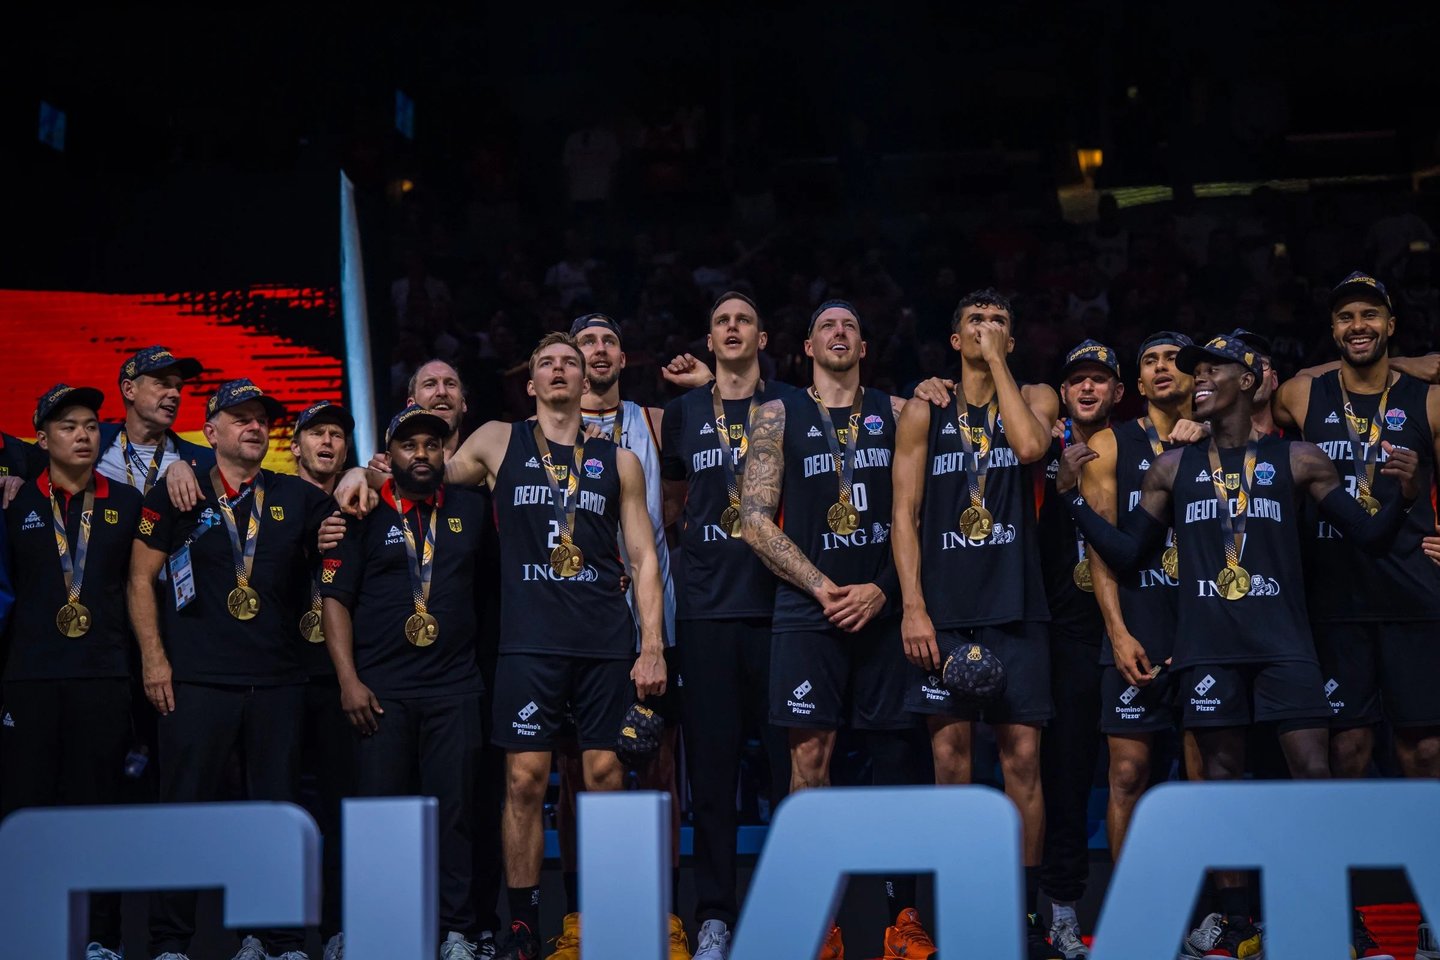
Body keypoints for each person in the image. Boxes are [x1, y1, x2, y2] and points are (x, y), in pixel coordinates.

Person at [1064, 334, 1421, 959]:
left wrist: (1405, 496)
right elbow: (1127, 552)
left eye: (1212, 370)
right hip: (1209, 650)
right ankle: (1235, 926)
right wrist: (1072, 497)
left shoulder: (1300, 458)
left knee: (1314, 775)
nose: (1198, 379)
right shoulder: (1171, 469)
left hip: (1285, 645)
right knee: (1219, 784)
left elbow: (1367, 537)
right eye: (1196, 371)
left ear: (1250, 380)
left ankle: (1327, 916)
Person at [357, 333, 666, 960]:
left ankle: (603, 918)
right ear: (531, 384)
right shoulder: (498, 440)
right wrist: (360, 475)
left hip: (604, 641)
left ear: (585, 382)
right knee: (524, 782)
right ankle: (523, 926)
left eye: (569, 363)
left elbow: (643, 557)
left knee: (604, 777)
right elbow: (423, 473)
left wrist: (652, 644)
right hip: (527, 645)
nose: (559, 370)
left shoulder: (620, 461)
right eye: (546, 363)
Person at [741, 300, 926, 960]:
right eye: (827, 325)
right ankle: (818, 921)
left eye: (851, 325)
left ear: (864, 347)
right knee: (808, 764)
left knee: (897, 763)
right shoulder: (777, 413)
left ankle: (904, 921)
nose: (840, 332)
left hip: (885, 607)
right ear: (808, 347)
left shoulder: (900, 412)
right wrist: (823, 588)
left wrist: (883, 590)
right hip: (808, 610)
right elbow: (753, 520)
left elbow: (921, 516)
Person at [129, 379, 334, 960]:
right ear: (210, 431)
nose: (254, 426)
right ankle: (170, 942)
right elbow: (140, 579)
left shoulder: (296, 496)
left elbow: (348, 500)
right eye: (239, 417)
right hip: (196, 678)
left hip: (277, 679)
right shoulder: (180, 489)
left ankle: (280, 938)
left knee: (276, 813)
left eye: (261, 418)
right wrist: (154, 660)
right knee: (184, 810)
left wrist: (357, 481)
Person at [890, 289, 1062, 960]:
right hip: (946, 612)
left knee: (1023, 762)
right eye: (975, 322)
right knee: (950, 762)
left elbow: (1029, 446)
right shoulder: (924, 410)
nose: (987, 329)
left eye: (998, 323)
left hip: (1017, 604)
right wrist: (913, 606)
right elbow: (903, 515)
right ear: (954, 340)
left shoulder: (1037, 395)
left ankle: (1022, 913)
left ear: (1011, 342)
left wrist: (998, 368)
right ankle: (961, 906)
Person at [321, 404, 491, 960]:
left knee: (456, 815)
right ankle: (379, 929)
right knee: (378, 817)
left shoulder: (471, 509)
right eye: (409, 445)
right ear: (388, 455)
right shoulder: (361, 511)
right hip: (380, 692)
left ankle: (457, 931)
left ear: (445, 452)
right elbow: (334, 600)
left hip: (454, 688)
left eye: (432, 445)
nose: (422, 454)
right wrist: (348, 681)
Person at [658, 292, 798, 960]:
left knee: (789, 774)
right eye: (722, 321)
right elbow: (673, 503)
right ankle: (714, 915)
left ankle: (792, 909)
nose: (733, 327)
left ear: (762, 338)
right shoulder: (683, 414)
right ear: (709, 341)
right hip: (707, 612)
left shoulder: (791, 406)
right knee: (712, 780)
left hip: (781, 611)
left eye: (744, 319)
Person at [547, 313, 686, 960]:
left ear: (623, 358)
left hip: (655, 621)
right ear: (570, 364)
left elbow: (678, 505)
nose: (598, 351)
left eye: (608, 341)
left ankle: (666, 915)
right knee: (576, 772)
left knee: (660, 766)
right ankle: (580, 916)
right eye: (585, 344)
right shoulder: (543, 433)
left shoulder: (655, 422)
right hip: (577, 623)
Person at [2, 385, 143, 960]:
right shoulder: (13, 504)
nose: (83, 435)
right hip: (28, 680)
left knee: (99, 809)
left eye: (90, 425)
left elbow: (141, 589)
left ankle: (101, 936)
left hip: (103, 676)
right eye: (67, 426)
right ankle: (25, 928)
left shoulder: (128, 503)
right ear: (42, 439)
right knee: (26, 810)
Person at [1055, 334, 1195, 861]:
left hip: (1202, 630)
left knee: (1202, 777)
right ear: (1137, 385)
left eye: (1173, 359)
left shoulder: (1218, 440)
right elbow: (1101, 547)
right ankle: (1127, 905)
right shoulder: (1111, 445)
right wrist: (1116, 633)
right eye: (1151, 361)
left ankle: (1213, 905)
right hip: (1138, 626)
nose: (1162, 368)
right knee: (1128, 773)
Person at [1036, 341, 1125, 959]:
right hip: (1064, 638)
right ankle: (1063, 911)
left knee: (1139, 777)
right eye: (1077, 381)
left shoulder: (1143, 447)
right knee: (1065, 780)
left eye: (1099, 379)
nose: (1088, 389)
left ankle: (1151, 908)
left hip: (1130, 632)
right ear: (1063, 393)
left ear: (1118, 392)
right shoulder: (1038, 450)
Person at [291, 400, 356, 960]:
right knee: (280, 808)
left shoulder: (362, 503)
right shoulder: (273, 502)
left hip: (342, 681)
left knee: (341, 809)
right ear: (295, 447)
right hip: (283, 676)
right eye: (316, 433)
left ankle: (339, 927)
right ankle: (274, 935)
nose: (327, 442)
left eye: (336, 433)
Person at [98, 345, 213, 494]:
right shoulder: (93, 442)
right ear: (129, 390)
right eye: (163, 384)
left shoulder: (205, 462)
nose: (175, 394)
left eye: (178, 388)